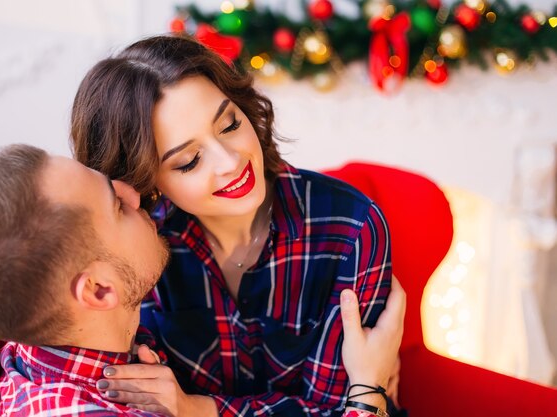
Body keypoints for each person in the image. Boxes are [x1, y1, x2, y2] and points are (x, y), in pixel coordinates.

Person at [0, 144, 403, 417]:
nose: (133, 192)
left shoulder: (50, 345)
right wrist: (368, 392)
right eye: (115, 205)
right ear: (98, 291)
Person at [71, 35, 400, 417]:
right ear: (145, 184)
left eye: (229, 125)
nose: (230, 161)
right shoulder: (135, 249)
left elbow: (339, 409)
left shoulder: (350, 228)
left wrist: (195, 408)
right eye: (189, 160)